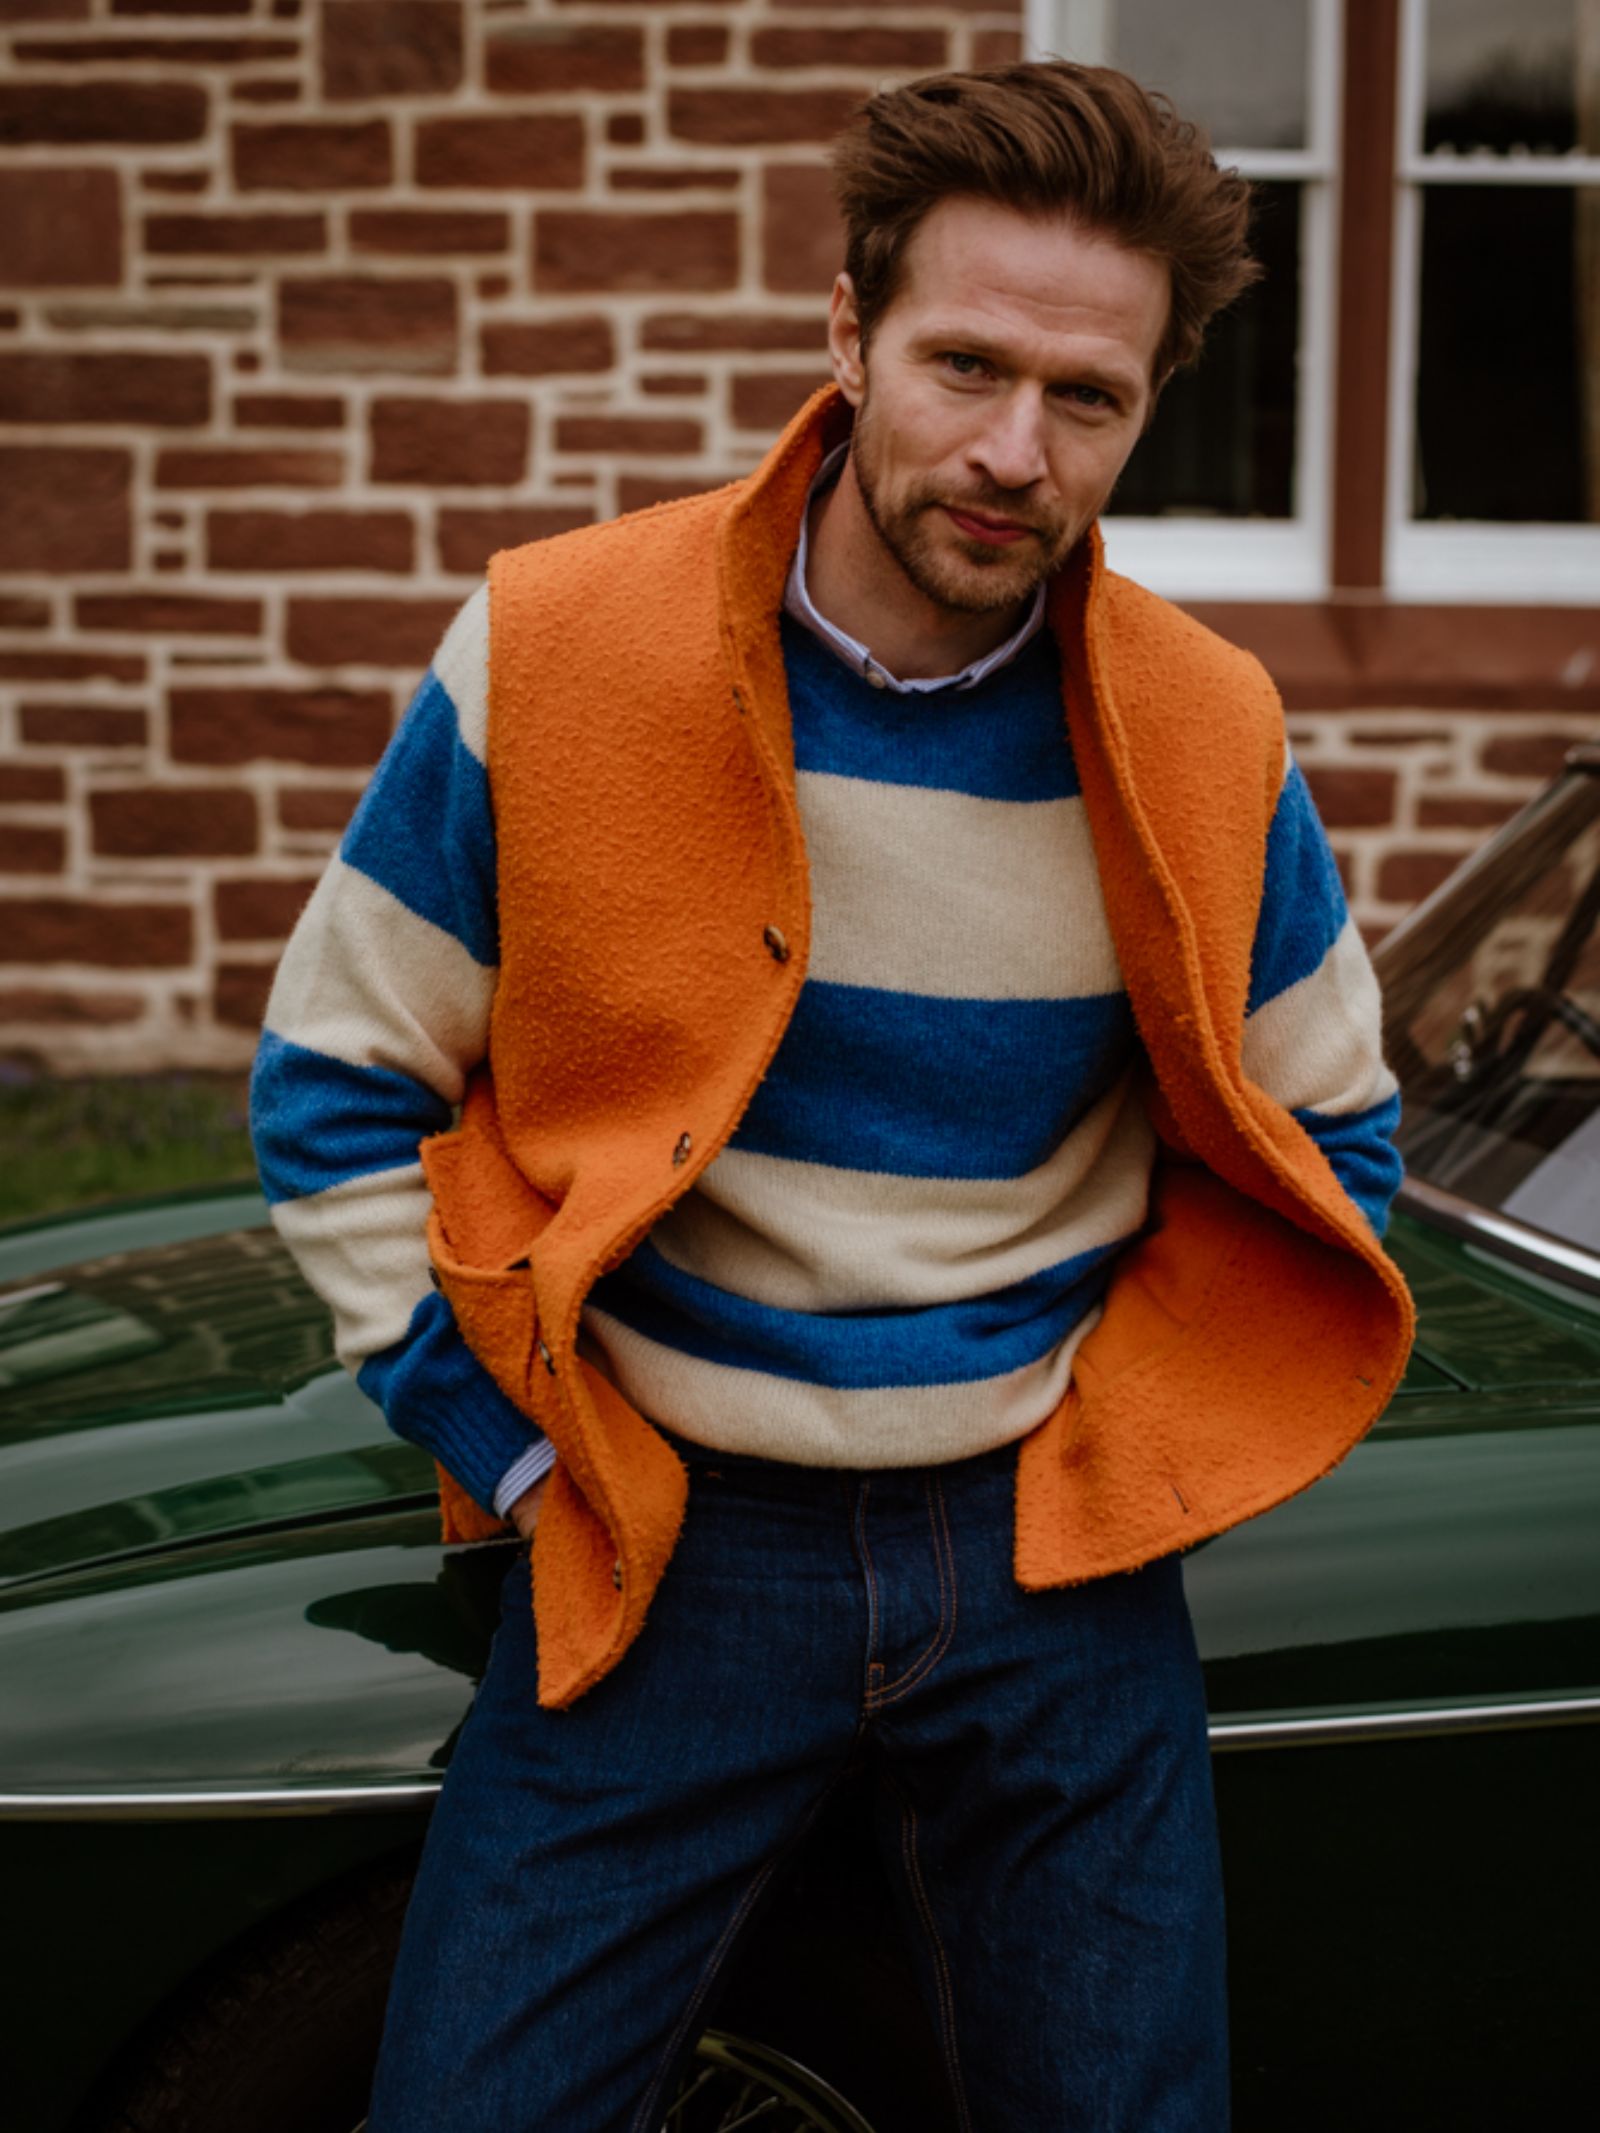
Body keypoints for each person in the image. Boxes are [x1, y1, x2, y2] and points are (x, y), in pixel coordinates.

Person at [251, 59, 1413, 2133]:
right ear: (845, 338)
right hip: (660, 1526)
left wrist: (1114, 1448)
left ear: (1145, 411)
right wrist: (524, 1465)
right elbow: (333, 1083)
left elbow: (1334, 1139)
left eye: (1086, 398)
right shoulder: (551, 643)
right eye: (962, 362)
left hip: (1049, 1564)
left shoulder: (1204, 728)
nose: (1008, 449)